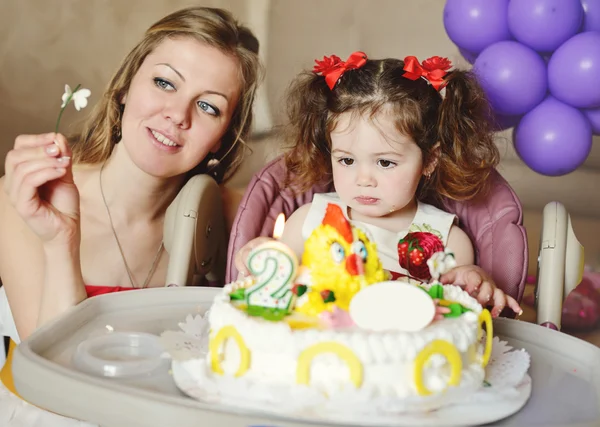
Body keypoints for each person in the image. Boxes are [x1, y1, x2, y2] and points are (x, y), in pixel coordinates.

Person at [0, 6, 260, 425]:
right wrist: (59, 242)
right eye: (163, 83)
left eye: (209, 107)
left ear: (222, 138)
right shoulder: (31, 198)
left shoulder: (236, 215)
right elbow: (56, 387)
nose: (178, 114)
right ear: (124, 88)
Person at [236, 51, 521, 318]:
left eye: (384, 162)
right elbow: (275, 293)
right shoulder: (307, 223)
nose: (363, 179)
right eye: (347, 160)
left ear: (430, 160)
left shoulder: (447, 242)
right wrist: (260, 260)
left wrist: (472, 282)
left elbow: (456, 317)